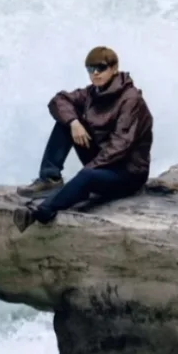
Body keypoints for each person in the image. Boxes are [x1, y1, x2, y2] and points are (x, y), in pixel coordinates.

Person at [13, 45, 152, 231]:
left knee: (87, 176)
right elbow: (58, 100)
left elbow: (121, 145)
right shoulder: (92, 93)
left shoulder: (131, 99)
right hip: (104, 162)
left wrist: (87, 172)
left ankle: (41, 212)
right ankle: (50, 179)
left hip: (128, 173)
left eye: (100, 68)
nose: (95, 74)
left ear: (114, 68)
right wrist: (74, 123)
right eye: (90, 70)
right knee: (66, 121)